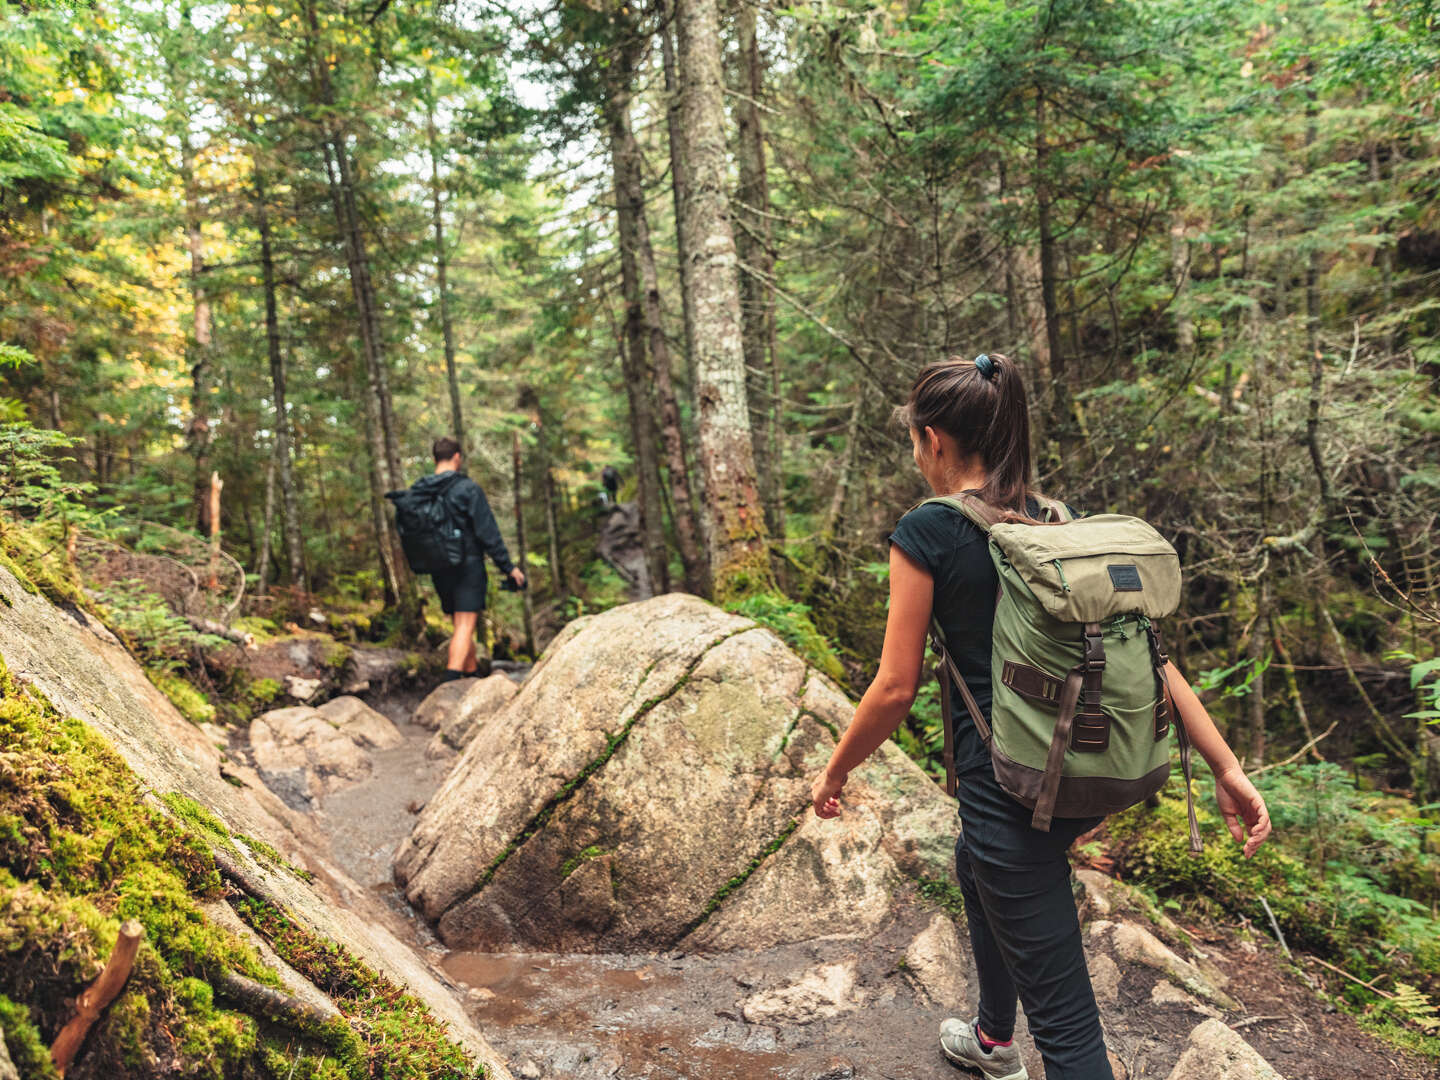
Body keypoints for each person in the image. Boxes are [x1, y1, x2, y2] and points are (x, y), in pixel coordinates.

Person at [809, 355, 1271, 1080]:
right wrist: (1227, 764)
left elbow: (894, 689)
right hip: (1073, 774)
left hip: (1009, 792)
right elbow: (1154, 658)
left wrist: (835, 769)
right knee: (972, 864)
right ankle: (994, 1041)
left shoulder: (927, 533)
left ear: (932, 440)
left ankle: (1018, 1044)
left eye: (912, 440)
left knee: (1069, 1031)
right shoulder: (1057, 522)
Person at [411, 436, 525, 681]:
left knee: (461, 624)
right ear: (457, 458)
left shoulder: (421, 490)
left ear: (434, 459)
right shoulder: (467, 489)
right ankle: (449, 683)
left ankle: (472, 676)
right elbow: (488, 532)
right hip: (467, 566)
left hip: (438, 566)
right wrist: (509, 568)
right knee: (464, 625)